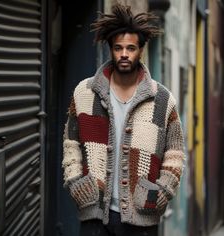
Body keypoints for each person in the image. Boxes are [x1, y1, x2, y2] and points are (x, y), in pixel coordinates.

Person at [62, 3, 185, 236]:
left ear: (141, 50)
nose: (125, 54)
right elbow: (71, 144)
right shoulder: (85, 93)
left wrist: (162, 191)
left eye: (131, 48)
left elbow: (175, 153)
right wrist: (76, 183)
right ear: (111, 49)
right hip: (94, 214)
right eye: (118, 48)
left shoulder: (161, 99)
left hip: (143, 218)